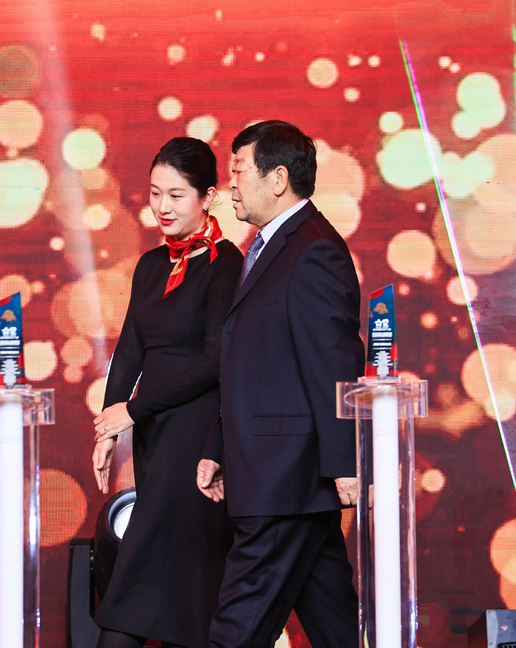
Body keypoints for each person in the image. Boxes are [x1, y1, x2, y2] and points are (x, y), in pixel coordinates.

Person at [196, 120, 362, 648]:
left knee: (237, 629)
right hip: (279, 477)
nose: (230, 183)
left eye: (238, 169)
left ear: (278, 179)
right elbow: (252, 366)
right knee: (335, 625)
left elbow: (333, 363)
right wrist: (218, 446)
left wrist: (346, 463)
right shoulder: (268, 247)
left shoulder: (313, 249)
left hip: (284, 480)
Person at [91, 137, 243, 648]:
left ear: (208, 196)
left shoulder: (225, 264)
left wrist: (132, 411)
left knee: (162, 574)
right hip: (155, 438)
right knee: (177, 587)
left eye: (176, 195)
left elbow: (215, 361)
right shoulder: (151, 265)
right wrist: (107, 431)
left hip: (197, 437)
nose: (162, 206)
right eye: (155, 193)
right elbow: (129, 352)